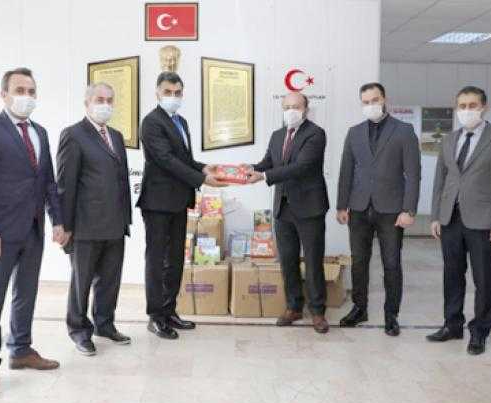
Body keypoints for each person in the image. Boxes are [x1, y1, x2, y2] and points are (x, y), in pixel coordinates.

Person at [0, 68, 68, 398]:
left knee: (26, 293)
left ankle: (21, 349)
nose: (27, 96)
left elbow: (48, 182)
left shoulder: (40, 132)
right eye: (20, 90)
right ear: (4, 94)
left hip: (33, 229)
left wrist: (57, 221)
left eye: (31, 91)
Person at [427, 86, 491, 355]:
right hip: (450, 219)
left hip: (484, 222)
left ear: (484, 107)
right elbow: (441, 180)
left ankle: (479, 332)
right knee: (452, 275)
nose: (466, 110)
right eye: (462, 106)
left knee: (483, 279)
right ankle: (452, 324)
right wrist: (436, 216)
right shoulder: (449, 139)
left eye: (472, 105)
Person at [136, 71, 226, 339]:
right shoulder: (151, 122)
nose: (173, 97)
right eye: (168, 92)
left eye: (177, 93)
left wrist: (203, 167)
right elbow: (166, 160)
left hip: (178, 200)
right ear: (157, 92)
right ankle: (155, 316)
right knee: (156, 261)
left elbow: (183, 159)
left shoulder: (181, 121)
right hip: (157, 202)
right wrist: (202, 179)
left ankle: (169, 311)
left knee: (175, 259)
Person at [335, 82, 421, 336]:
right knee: (359, 262)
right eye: (366, 102)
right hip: (359, 208)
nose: (370, 105)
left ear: (384, 99)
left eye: (375, 100)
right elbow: (346, 171)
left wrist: (409, 209)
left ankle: (391, 315)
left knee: (391, 263)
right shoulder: (354, 133)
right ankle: (359, 309)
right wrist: (341, 205)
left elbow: (413, 174)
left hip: (391, 210)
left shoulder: (404, 131)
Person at [56, 83, 132, 356]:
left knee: (110, 280)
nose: (105, 104)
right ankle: (79, 330)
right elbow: (65, 184)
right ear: (87, 103)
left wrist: (126, 219)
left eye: (110, 100)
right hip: (85, 226)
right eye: (99, 99)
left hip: (115, 223)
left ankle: (104, 324)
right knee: (82, 283)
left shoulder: (116, 136)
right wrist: (64, 225)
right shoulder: (73, 135)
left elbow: (121, 180)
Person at [245, 92, 330, 334]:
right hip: (283, 208)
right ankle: (294, 307)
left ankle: (317, 311)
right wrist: (249, 168)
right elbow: (268, 163)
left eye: (296, 106)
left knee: (313, 261)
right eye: (286, 107)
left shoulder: (315, 134)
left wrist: (264, 176)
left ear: (306, 109)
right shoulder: (277, 135)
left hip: (309, 207)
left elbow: (301, 167)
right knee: (287, 260)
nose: (291, 111)